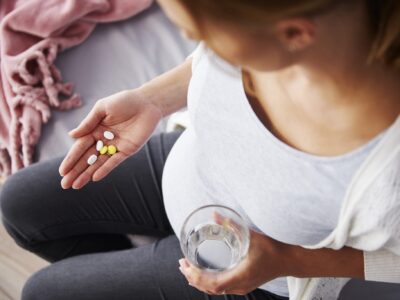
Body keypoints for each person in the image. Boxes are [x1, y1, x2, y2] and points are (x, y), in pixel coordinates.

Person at [1, 0, 400, 299]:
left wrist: (287, 260)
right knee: (18, 205)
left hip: (256, 268)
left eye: (202, 34)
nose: (193, 41)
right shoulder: (290, 24)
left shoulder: (385, 170)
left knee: (43, 292)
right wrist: (152, 100)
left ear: (293, 34)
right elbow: (209, 58)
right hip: (190, 163)